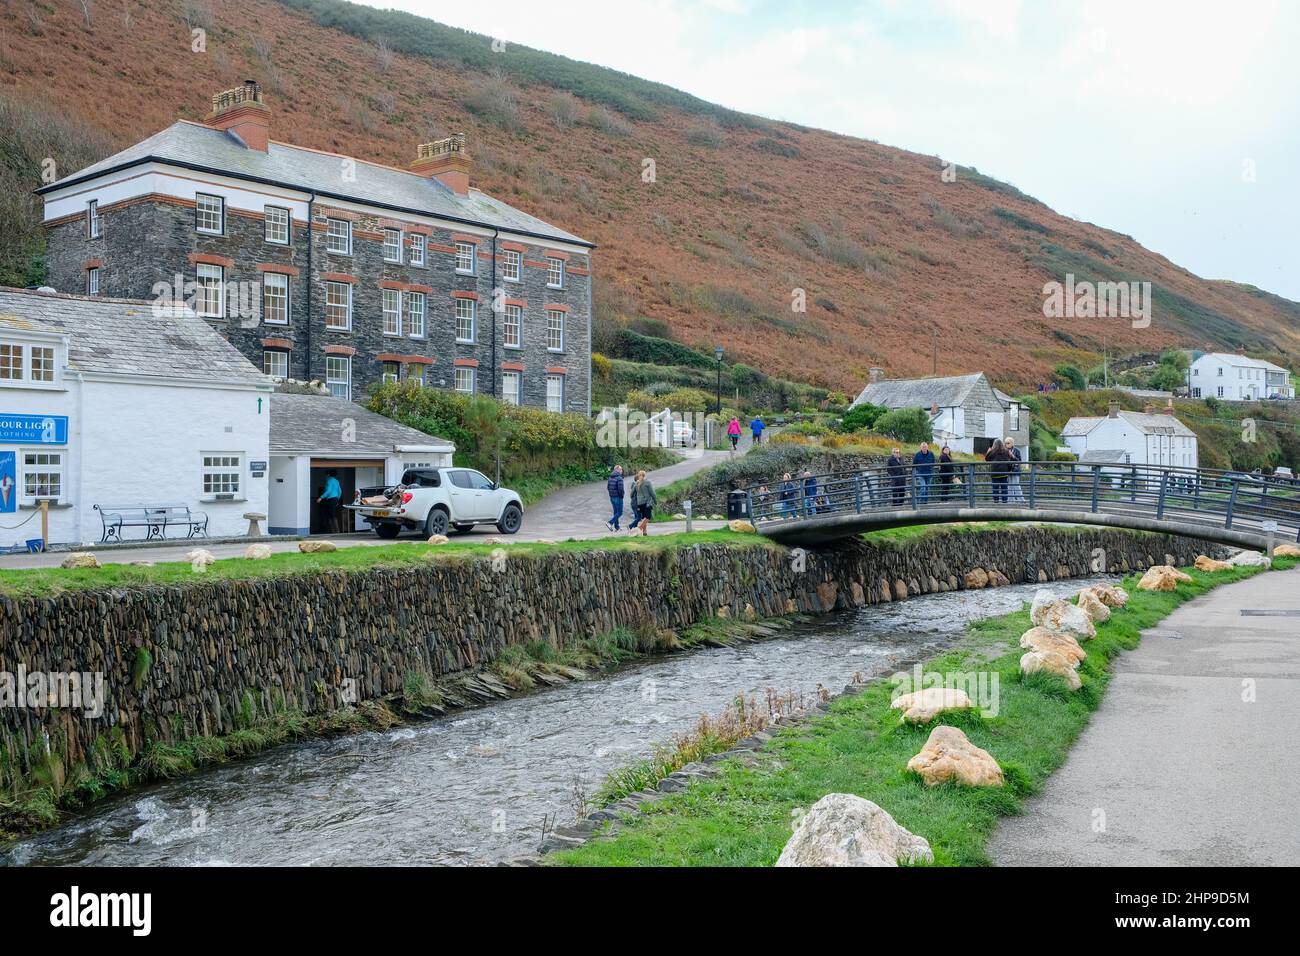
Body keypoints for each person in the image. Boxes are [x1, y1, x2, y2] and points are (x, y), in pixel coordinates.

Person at [985, 439, 1012, 503]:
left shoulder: (992, 451)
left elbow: (987, 459)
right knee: (1004, 488)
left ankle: (996, 501)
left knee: (995, 489)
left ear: (994, 444)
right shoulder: (1006, 451)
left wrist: (988, 452)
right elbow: (1009, 460)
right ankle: (1004, 501)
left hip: (995, 473)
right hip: (1004, 472)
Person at [316, 469, 342, 534]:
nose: (325, 476)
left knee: (330, 515)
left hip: (330, 499)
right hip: (335, 499)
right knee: (332, 514)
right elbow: (340, 491)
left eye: (326, 474)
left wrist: (321, 497)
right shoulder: (337, 481)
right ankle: (334, 531)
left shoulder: (329, 481)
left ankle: (335, 531)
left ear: (328, 475)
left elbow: (328, 491)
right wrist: (337, 500)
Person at [633, 470, 656, 535]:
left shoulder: (637, 483)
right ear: (644, 475)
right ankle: (639, 528)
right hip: (646, 502)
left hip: (639, 503)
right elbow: (652, 493)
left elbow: (633, 493)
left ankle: (644, 532)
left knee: (643, 517)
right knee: (648, 517)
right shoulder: (647, 482)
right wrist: (655, 500)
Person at [1005, 437, 1025, 504]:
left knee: (1016, 485)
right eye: (1005, 443)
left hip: (1015, 470)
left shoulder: (1017, 450)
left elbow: (1019, 461)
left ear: (1012, 443)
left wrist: (1013, 456)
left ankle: (1021, 500)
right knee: (1009, 486)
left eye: (1008, 443)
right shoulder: (1005, 451)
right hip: (1008, 470)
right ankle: (1010, 501)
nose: (1006, 445)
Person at [606, 464, 625, 531]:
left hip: (612, 497)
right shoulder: (619, 478)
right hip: (618, 497)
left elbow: (608, 487)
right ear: (618, 470)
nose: (622, 471)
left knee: (616, 512)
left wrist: (611, 494)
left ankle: (617, 527)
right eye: (621, 469)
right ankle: (610, 523)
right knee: (620, 512)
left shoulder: (610, 477)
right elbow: (621, 489)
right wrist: (622, 496)